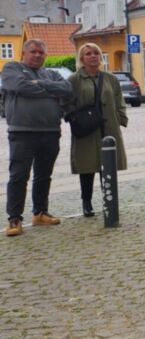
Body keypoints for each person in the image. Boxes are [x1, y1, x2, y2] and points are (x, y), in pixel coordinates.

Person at [3, 39, 73, 237]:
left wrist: (40, 83)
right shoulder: (12, 68)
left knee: (44, 175)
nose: (37, 55)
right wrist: (50, 91)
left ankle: (40, 213)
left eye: (41, 52)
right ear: (23, 53)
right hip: (22, 132)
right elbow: (19, 87)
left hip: (50, 131)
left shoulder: (51, 73)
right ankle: (14, 219)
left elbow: (67, 89)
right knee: (19, 176)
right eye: (33, 51)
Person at [68, 43, 128, 217]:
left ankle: (109, 200)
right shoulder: (74, 79)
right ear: (81, 58)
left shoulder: (110, 78)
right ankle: (86, 202)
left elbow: (119, 100)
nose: (93, 56)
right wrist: (74, 118)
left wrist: (121, 118)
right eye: (88, 54)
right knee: (87, 167)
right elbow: (67, 102)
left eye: (96, 53)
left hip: (108, 128)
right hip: (86, 130)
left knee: (108, 165)